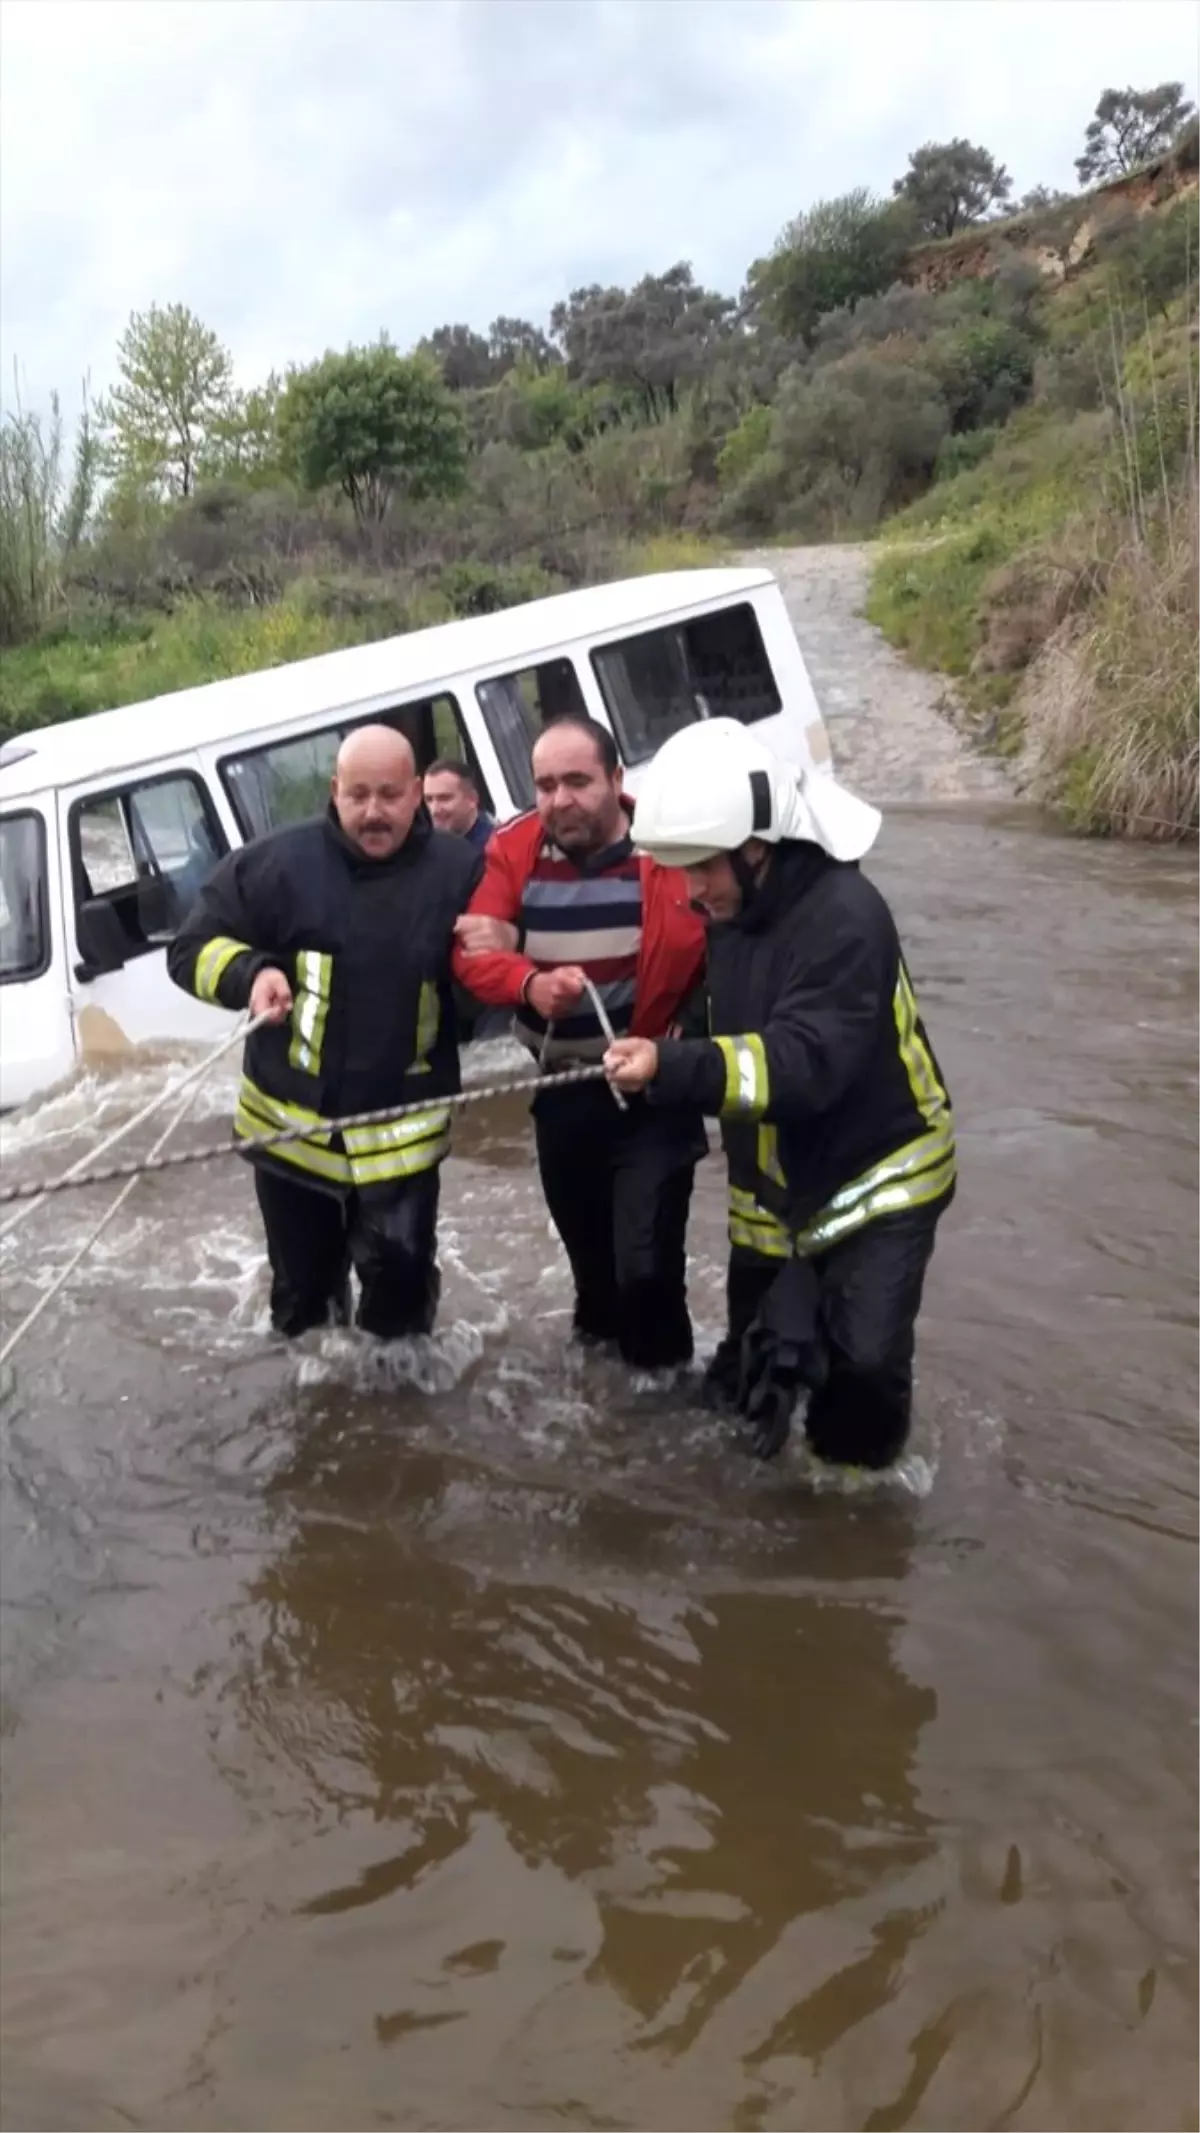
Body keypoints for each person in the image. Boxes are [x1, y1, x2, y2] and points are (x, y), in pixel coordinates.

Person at [602, 717, 956, 1471]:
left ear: (757, 848)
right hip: (771, 1179)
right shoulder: (738, 908)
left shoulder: (847, 919)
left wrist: (670, 1068)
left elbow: (801, 1064)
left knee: (859, 1377)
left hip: (880, 1174)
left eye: (702, 869)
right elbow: (732, 1025)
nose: (691, 891)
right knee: (752, 1375)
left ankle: (861, 1526)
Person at [168, 725, 483, 1341]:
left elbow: (489, 985)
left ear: (418, 793)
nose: (373, 813)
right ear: (334, 791)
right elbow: (190, 948)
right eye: (357, 795)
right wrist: (249, 974)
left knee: (402, 1311)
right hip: (291, 1142)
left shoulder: (462, 872)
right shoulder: (274, 865)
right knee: (304, 1313)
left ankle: (396, 1425)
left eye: (390, 795)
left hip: (403, 1143)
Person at [452, 714, 708, 1371]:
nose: (559, 799)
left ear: (616, 779)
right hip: (562, 1094)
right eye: (544, 784)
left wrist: (698, 1027)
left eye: (576, 781)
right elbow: (472, 953)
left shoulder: (672, 845)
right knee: (595, 1282)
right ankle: (600, 1420)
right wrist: (529, 983)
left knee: (647, 1272)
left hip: (652, 1089)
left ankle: (667, 1408)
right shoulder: (514, 851)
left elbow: (733, 944)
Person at [423, 758, 495, 848]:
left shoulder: (494, 850)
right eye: (429, 799)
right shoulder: (429, 846)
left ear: (472, 799)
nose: (434, 810)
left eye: (444, 798)